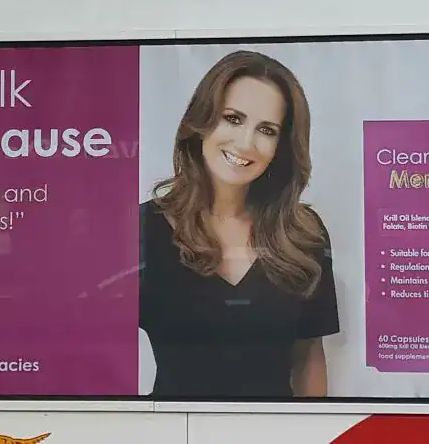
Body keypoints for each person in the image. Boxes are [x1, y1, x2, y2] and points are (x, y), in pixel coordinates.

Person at [139, 50, 340, 399]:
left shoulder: (303, 232)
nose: (246, 143)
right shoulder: (141, 228)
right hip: (173, 426)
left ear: (281, 146)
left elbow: (308, 357)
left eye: (266, 130)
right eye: (233, 119)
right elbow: (96, 352)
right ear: (202, 122)